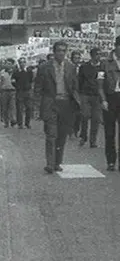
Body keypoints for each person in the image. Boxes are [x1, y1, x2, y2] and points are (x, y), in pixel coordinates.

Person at [34, 41, 81, 173]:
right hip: (51, 103)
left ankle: (57, 162)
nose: (61, 53)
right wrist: (38, 107)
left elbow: (74, 86)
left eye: (63, 51)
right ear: (54, 52)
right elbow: (38, 88)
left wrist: (77, 102)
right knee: (51, 134)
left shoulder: (71, 67)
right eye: (59, 50)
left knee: (62, 135)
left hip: (66, 104)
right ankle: (50, 163)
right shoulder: (44, 67)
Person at [99, 36, 120, 172]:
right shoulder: (105, 62)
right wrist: (103, 100)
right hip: (110, 98)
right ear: (115, 46)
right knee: (109, 132)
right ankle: (111, 161)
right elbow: (99, 84)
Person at [77, 48, 105, 148]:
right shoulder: (84, 67)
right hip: (85, 94)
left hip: (97, 95)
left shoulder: (102, 67)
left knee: (96, 118)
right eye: (97, 54)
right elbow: (79, 80)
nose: (99, 57)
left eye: (100, 55)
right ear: (92, 55)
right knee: (84, 115)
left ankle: (93, 141)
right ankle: (83, 136)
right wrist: (80, 93)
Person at [13, 58, 34, 129]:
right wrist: (17, 87)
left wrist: (28, 86)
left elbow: (31, 80)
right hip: (20, 92)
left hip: (27, 91)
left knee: (29, 108)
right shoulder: (16, 72)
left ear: (25, 63)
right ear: (19, 64)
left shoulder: (29, 71)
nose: (22, 64)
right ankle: (20, 124)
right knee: (19, 108)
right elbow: (13, 81)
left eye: (23, 62)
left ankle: (27, 123)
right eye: (21, 62)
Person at [0, 60, 15, 128]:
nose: (8, 65)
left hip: (12, 91)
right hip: (4, 91)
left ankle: (13, 120)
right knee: (5, 107)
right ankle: (6, 122)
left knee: (12, 106)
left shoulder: (15, 72)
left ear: (12, 65)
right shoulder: (2, 72)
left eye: (10, 64)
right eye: (7, 64)